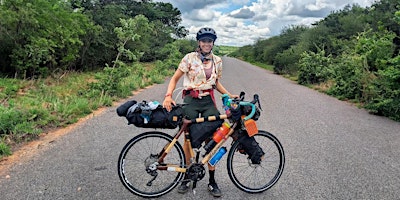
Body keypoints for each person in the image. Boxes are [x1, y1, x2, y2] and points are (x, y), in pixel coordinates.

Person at [163, 27, 238, 197]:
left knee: (213, 138)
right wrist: (168, 96)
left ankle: (212, 180)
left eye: (209, 41)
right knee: (187, 138)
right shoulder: (189, 58)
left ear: (213, 43)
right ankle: (186, 176)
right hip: (190, 100)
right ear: (199, 42)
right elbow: (175, 79)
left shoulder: (217, 61)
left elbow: (216, 83)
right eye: (203, 40)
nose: (206, 43)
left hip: (207, 101)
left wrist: (228, 94)